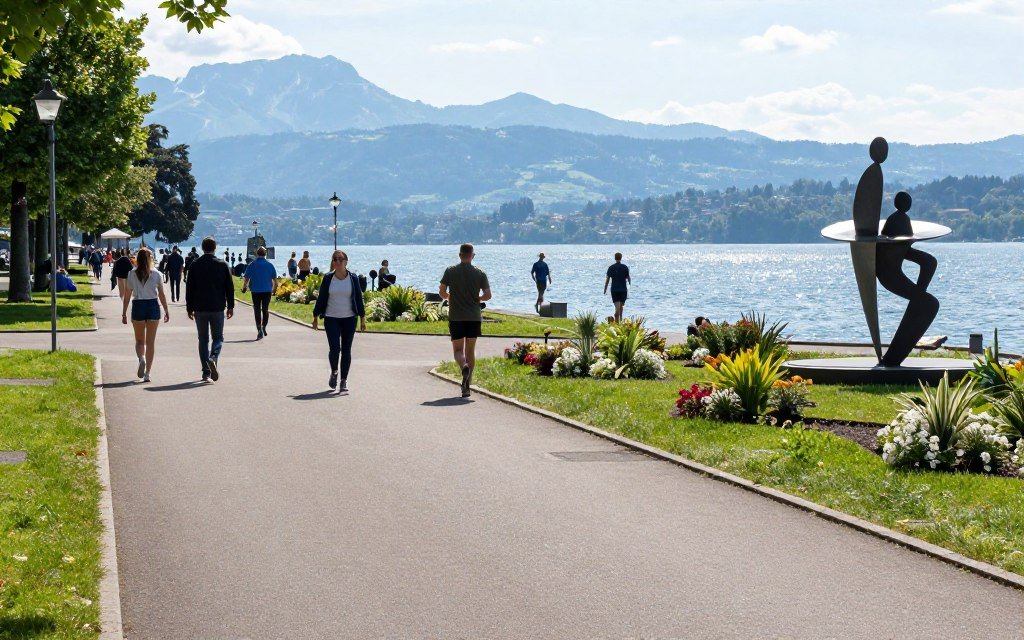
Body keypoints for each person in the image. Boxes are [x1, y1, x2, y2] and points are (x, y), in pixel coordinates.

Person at [439, 243, 492, 398]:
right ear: (473, 255)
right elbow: (488, 295)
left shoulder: (450, 271)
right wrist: (479, 298)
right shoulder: (480, 273)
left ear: (460, 255)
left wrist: (449, 297)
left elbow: (442, 292)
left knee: (457, 351)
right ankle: (467, 386)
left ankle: (464, 366)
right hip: (474, 317)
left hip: (456, 317)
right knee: (470, 350)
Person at [311, 249, 366, 392]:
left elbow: (359, 299)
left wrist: (362, 318)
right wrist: (315, 316)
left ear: (346, 262)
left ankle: (343, 380)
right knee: (335, 349)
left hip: (349, 319)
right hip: (331, 318)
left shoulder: (353, 278)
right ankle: (334, 371)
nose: (337, 262)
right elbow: (322, 297)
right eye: (334, 259)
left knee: (346, 350)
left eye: (340, 259)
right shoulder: (328, 278)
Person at [186, 237, 235, 382]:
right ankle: (213, 357)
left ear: (202, 248)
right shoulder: (222, 265)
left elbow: (190, 288)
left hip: (200, 308)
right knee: (218, 337)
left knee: (203, 339)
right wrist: (230, 306)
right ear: (215, 248)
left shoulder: (195, 265)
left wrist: (189, 307)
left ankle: (206, 371)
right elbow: (229, 288)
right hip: (217, 307)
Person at [120, 248, 169, 383]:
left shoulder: (131, 274)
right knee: (151, 342)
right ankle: (147, 373)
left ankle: (141, 359)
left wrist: (124, 313)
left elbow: (127, 296)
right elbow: (162, 295)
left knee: (139, 341)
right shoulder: (157, 274)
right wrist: (166, 310)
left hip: (138, 306)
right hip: (153, 306)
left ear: (137, 259)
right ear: (151, 259)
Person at [241, 246, 279, 340]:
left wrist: (244, 287)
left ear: (257, 254)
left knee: (257, 309)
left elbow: (246, 278)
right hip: (267, 290)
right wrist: (274, 290)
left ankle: (259, 329)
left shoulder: (252, 265)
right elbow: (275, 280)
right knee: (265, 309)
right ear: (265, 254)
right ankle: (264, 327)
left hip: (255, 290)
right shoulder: (270, 265)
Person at [603, 252, 631, 323]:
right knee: (621, 306)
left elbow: (607, 280)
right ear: (621, 258)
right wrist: (629, 285)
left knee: (618, 306)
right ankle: (619, 320)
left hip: (614, 289)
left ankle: (617, 320)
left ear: (615, 258)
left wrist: (605, 289)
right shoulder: (624, 267)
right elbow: (628, 278)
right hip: (623, 289)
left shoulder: (611, 267)